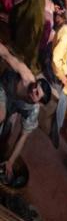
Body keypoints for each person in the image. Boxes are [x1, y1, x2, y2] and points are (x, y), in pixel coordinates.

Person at [0, 41, 52, 179]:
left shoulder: (33, 111)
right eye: (36, 86)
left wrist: (10, 162)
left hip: (13, 107)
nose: (33, 90)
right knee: (1, 115)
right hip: (3, 88)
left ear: (39, 104)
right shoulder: (26, 76)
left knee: (4, 139)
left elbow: (22, 137)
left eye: (37, 94)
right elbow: (6, 55)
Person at [48, 0, 67, 148]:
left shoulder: (65, 31)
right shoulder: (64, 33)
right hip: (54, 70)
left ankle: (57, 126)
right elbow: (56, 60)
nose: (55, 16)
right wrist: (62, 77)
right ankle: (55, 129)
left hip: (57, 67)